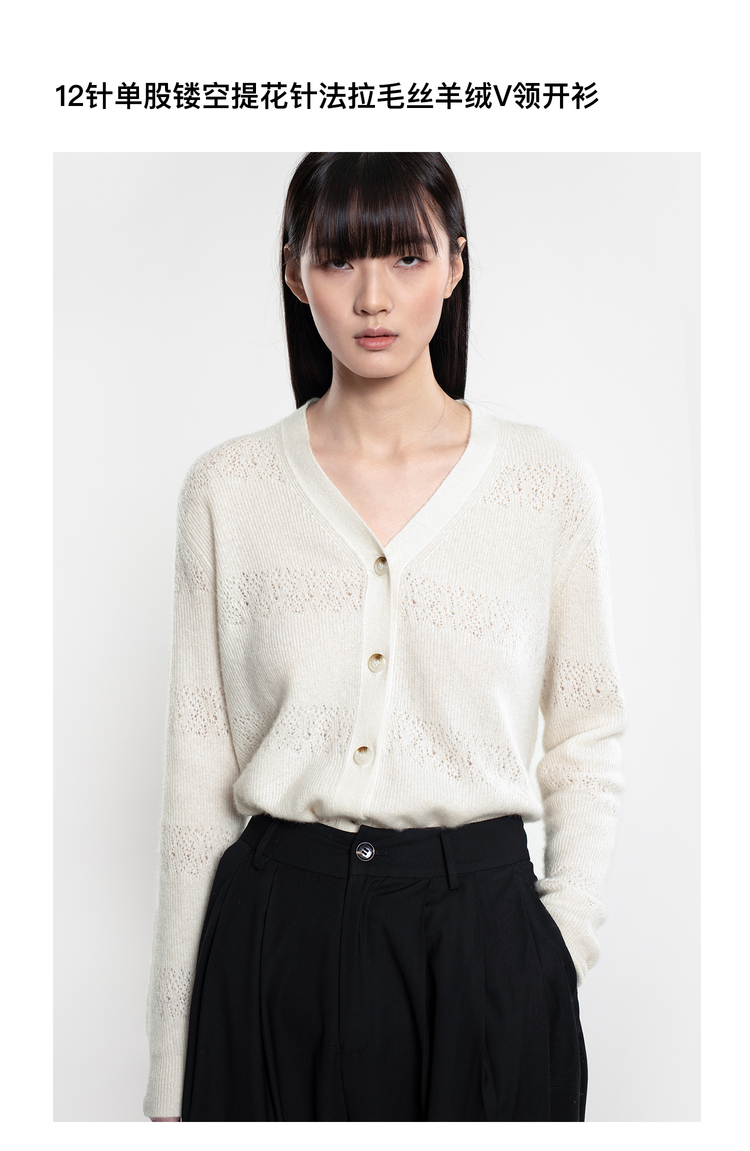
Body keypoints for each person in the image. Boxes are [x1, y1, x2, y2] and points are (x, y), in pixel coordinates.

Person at [144, 152, 626, 1122]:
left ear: (456, 264)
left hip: (484, 936)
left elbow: (586, 732)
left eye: (407, 257)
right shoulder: (227, 489)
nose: (373, 296)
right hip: (275, 936)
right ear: (295, 273)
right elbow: (199, 775)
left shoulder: (543, 482)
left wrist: (559, 939)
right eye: (339, 259)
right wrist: (171, 1065)